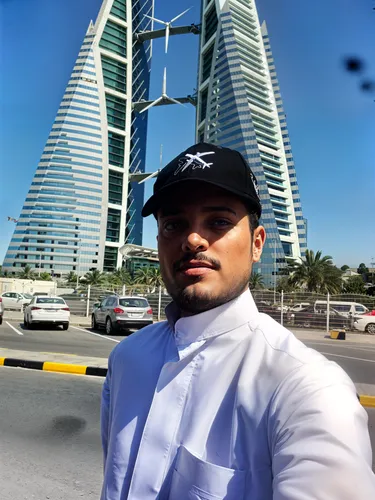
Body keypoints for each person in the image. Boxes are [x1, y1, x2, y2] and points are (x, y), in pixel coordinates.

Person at [101, 143, 375, 499]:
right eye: (174, 224)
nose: (193, 239)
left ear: (257, 244)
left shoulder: (306, 388)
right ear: (158, 243)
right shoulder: (127, 357)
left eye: (218, 222)